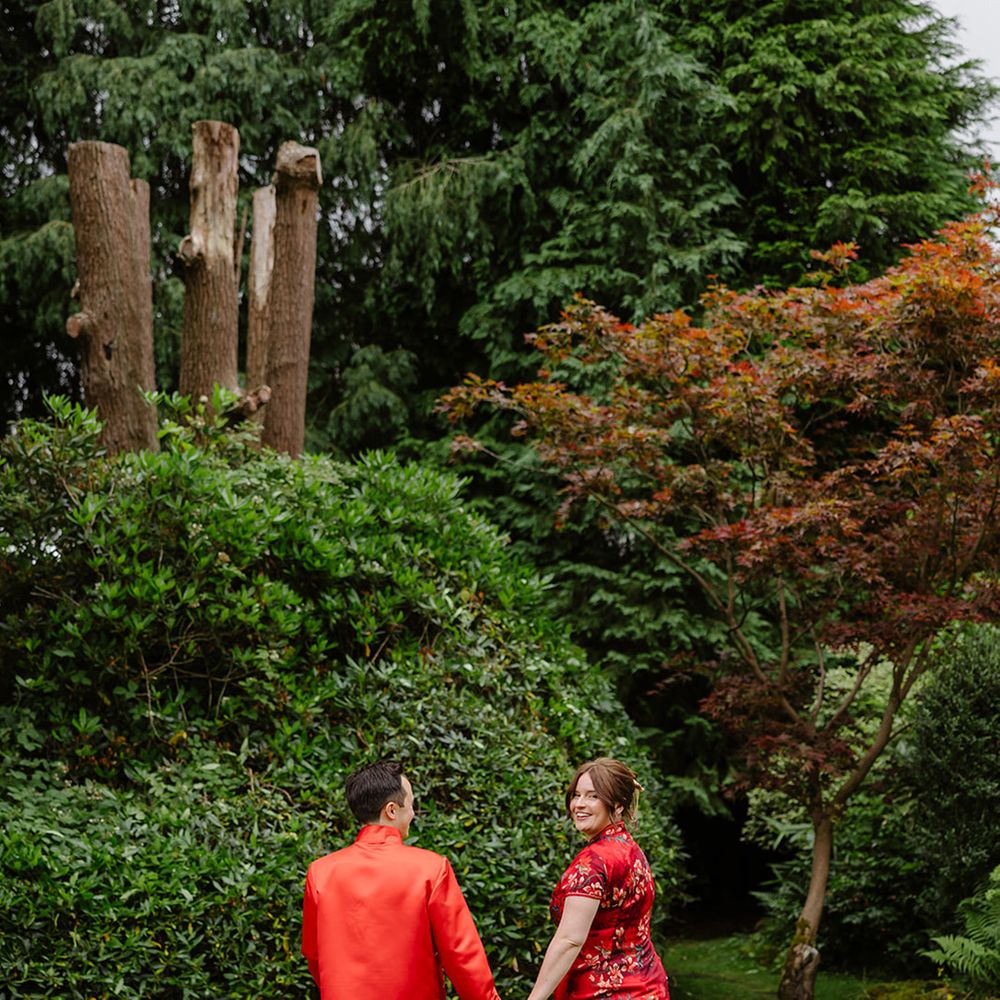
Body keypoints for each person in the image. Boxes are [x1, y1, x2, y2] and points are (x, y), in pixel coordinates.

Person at [301, 759, 501, 1000]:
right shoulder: (431, 868)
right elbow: (461, 955)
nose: (414, 813)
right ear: (392, 810)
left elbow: (314, 955)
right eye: (411, 804)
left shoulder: (320, 872)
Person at [526, 758, 670, 1000]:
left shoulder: (593, 862)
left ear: (617, 805)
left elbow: (570, 939)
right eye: (576, 795)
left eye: (592, 796)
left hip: (603, 993)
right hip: (649, 988)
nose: (579, 804)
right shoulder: (632, 851)